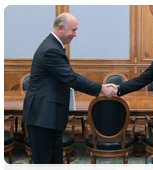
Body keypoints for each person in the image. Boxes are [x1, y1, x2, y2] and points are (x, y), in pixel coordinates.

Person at [22, 13, 115, 170]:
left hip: (49, 115)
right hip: (42, 116)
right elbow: (71, 78)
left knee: (54, 159)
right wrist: (101, 88)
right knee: (45, 163)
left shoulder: (54, 45)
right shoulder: (51, 49)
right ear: (60, 27)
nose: (75, 34)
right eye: (73, 30)